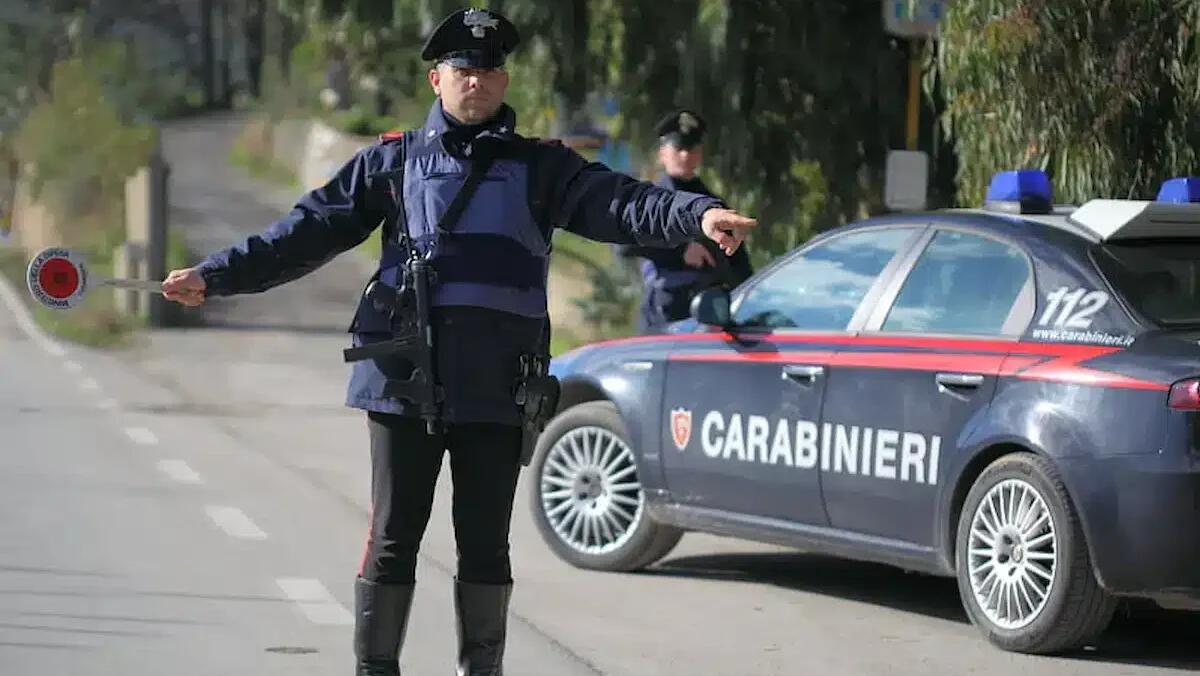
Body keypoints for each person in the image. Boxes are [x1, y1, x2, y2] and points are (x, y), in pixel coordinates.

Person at [160, 8, 755, 676]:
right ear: (437, 79)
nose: (478, 82)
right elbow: (305, 233)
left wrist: (696, 214)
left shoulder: (542, 169)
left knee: (484, 548)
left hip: (497, 387)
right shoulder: (391, 163)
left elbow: (624, 203)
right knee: (392, 539)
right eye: (465, 70)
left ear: (503, 81)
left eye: (490, 70)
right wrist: (215, 276)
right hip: (403, 383)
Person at [617, 109, 754, 333]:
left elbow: (739, 263)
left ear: (699, 154)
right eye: (678, 148)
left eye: (691, 149)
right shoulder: (651, 198)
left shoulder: (714, 204)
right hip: (665, 316)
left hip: (712, 316)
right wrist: (680, 251)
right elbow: (623, 243)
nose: (685, 156)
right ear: (663, 153)